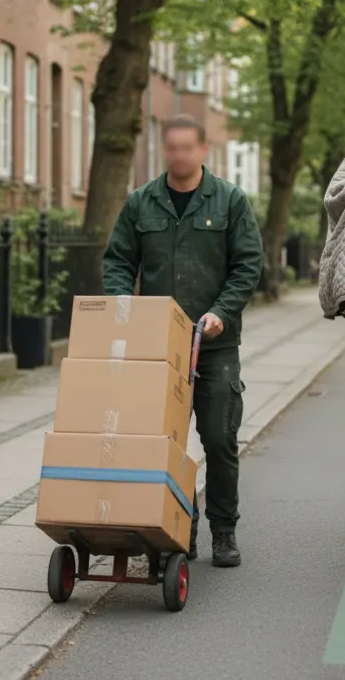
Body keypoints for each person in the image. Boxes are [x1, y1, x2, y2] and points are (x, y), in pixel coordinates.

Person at [101, 114, 264, 568]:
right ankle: (178, 528)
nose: (178, 156)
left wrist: (222, 311)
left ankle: (225, 531)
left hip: (214, 346)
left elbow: (247, 266)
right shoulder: (141, 203)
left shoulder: (229, 201)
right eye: (171, 148)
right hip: (159, 347)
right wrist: (122, 304)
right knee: (166, 444)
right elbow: (117, 261)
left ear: (203, 150)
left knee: (218, 439)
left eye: (186, 148)